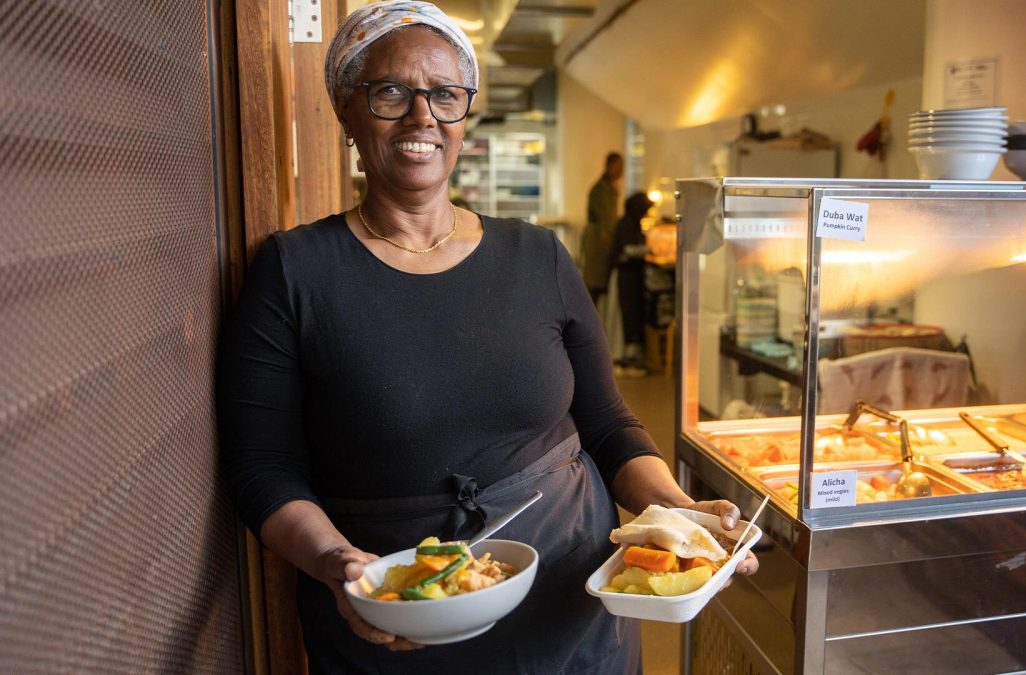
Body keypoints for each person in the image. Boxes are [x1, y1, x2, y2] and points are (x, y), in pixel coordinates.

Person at [216, 2, 757, 673]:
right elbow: (262, 466)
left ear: (464, 118)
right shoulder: (295, 271)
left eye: (445, 95)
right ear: (346, 110)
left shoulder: (538, 257)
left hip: (568, 597)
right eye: (391, 92)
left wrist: (679, 513)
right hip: (396, 616)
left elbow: (608, 423)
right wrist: (337, 562)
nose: (423, 118)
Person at [610, 192, 654, 376]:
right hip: (625, 277)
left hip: (630, 276)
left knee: (631, 314)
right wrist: (650, 249)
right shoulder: (627, 224)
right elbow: (627, 249)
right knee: (626, 315)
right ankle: (625, 357)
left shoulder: (631, 223)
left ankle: (629, 356)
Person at [580, 152, 624, 304]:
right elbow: (606, 221)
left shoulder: (609, 188)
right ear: (608, 166)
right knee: (593, 287)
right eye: (617, 167)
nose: (620, 171)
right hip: (598, 244)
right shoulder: (601, 190)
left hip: (602, 243)